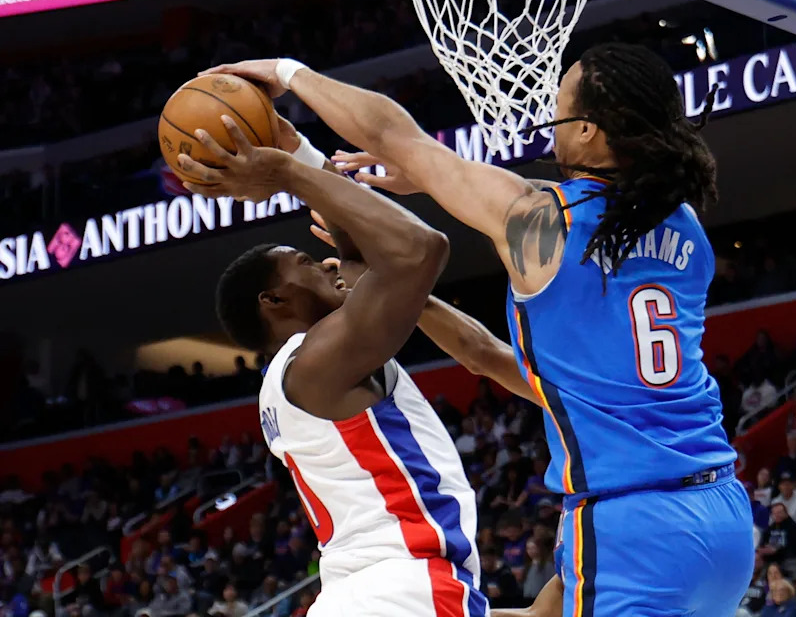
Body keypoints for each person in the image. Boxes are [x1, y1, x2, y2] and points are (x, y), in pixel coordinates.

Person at [201, 43, 754, 617]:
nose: (554, 122)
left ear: (588, 130)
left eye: (561, 110)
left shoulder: (541, 221)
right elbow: (485, 354)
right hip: (724, 518)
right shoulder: (686, 229)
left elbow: (396, 137)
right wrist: (401, 270)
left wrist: (292, 77)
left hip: (631, 523)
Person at [180, 119, 488, 617]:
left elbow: (357, 252)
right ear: (275, 300)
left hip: (356, 594)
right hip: (406, 584)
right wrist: (284, 171)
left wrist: (298, 150)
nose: (326, 264)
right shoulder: (316, 360)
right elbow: (419, 248)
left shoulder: (297, 373)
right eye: (307, 261)